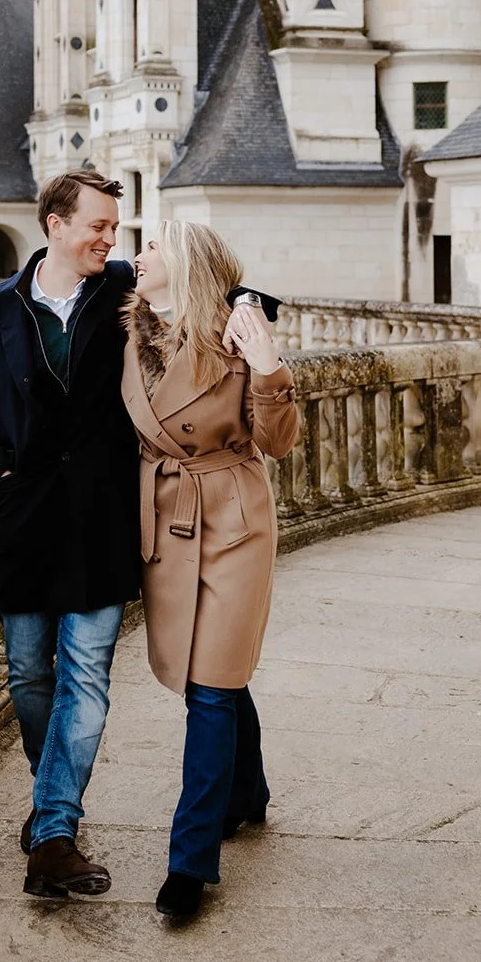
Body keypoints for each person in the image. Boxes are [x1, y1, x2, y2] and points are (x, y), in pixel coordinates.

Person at [0, 170, 140, 898]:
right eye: (97, 225)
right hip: (24, 515)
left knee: (85, 672)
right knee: (30, 675)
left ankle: (54, 830)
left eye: (114, 228)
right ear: (55, 224)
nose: (108, 238)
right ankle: (49, 798)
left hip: (101, 515)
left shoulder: (122, 288)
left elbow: (218, 288)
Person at [122, 220, 299, 919]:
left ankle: (189, 863)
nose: (136, 256)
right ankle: (246, 794)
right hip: (163, 516)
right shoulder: (127, 331)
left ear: (187, 265)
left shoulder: (236, 336)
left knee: (212, 688)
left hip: (231, 520)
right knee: (215, 677)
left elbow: (278, 443)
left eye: (153, 246)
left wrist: (266, 366)